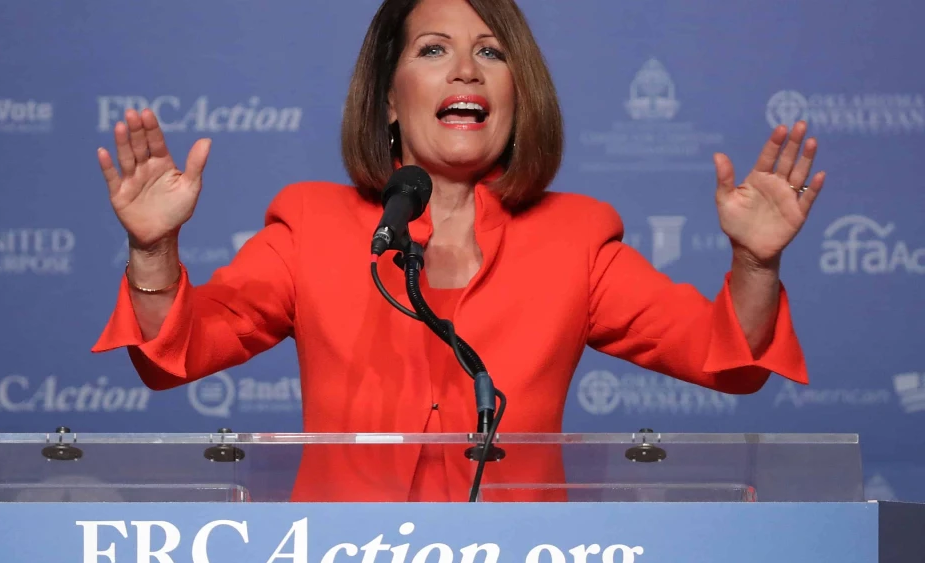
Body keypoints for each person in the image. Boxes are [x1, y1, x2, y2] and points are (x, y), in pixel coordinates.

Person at [92, 0, 823, 502]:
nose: (465, 70)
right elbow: (176, 351)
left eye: (491, 52)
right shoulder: (312, 225)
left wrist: (755, 264)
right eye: (434, 49)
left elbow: (726, 356)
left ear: (517, 94)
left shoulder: (575, 238)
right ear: (389, 97)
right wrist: (152, 248)